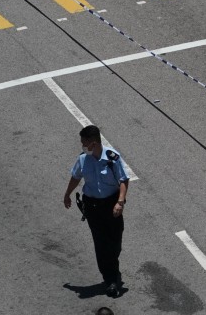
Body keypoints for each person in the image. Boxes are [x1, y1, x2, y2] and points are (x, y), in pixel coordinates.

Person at [63, 125, 129, 298]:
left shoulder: (111, 158)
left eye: (84, 142)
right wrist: (67, 194)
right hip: (92, 206)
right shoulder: (83, 159)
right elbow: (76, 177)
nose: (82, 145)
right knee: (101, 244)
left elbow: (123, 180)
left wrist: (120, 202)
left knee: (115, 242)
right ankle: (111, 280)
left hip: (112, 205)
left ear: (93, 143)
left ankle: (112, 265)